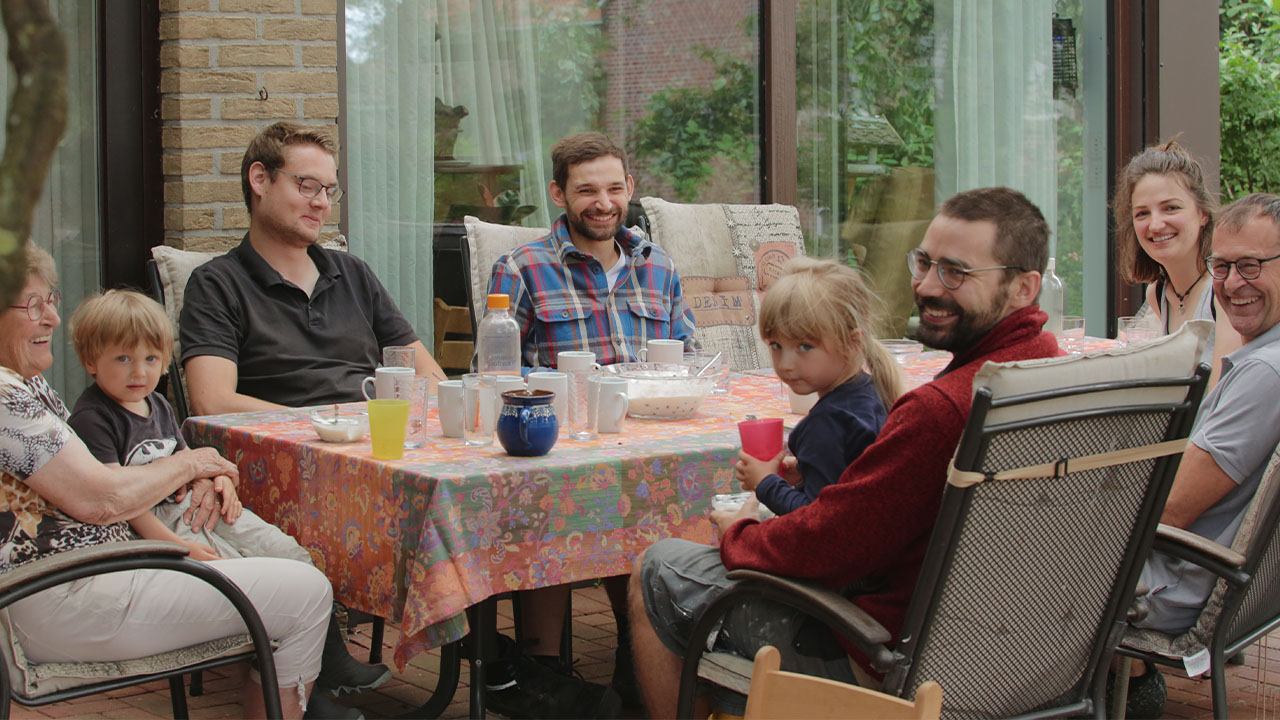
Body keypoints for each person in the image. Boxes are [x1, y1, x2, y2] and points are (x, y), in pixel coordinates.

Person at [629, 186, 1063, 718]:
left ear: (1023, 287)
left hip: (897, 660)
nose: (926, 286)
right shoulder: (1056, 379)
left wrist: (742, 533)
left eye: (955, 272)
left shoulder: (945, 409)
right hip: (1031, 658)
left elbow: (826, 547)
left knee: (658, 568)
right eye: (924, 262)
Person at [0, 244, 332, 720]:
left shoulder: (23, 382)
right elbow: (102, 497)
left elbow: (101, 481)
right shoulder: (5, 393)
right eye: (34, 305)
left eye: (50, 298)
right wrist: (192, 464)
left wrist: (199, 471)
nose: (52, 317)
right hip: (71, 591)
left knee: (282, 567)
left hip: (101, 572)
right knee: (306, 592)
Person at [65, 288, 387, 717]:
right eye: (122, 359)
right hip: (152, 525)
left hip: (204, 510)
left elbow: (189, 461)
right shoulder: (93, 416)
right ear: (91, 362)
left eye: (150, 358)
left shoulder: (157, 404)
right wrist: (172, 546)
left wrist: (221, 480)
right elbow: (117, 499)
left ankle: (327, 664)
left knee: (292, 555)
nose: (138, 371)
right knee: (245, 581)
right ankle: (300, 701)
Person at [479, 132, 701, 719]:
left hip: (651, 441)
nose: (602, 202)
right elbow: (493, 374)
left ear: (629, 188)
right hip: (564, 451)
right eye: (585, 191)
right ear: (558, 193)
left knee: (675, 498)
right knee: (567, 504)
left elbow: (689, 356)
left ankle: (645, 656)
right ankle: (542, 670)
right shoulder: (522, 268)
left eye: (613, 188)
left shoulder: (658, 267)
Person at [1123, 193, 1280, 717]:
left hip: (1171, 584)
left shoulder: (1266, 374)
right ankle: (1124, 676)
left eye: (1253, 265)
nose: (1234, 283)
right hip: (1215, 579)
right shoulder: (1261, 358)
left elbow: (1167, 511)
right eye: (1223, 266)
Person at [179, 121, 445, 415]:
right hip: (280, 450)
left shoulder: (353, 274)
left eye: (329, 191)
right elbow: (213, 403)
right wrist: (329, 423)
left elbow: (431, 378)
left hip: (373, 440)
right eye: (307, 187)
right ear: (259, 179)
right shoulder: (216, 285)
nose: (322, 204)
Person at [734, 257, 900, 515]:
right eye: (776, 345)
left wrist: (766, 483)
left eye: (805, 346)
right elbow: (847, 487)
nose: (786, 364)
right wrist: (804, 474)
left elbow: (814, 521)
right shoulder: (873, 392)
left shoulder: (828, 423)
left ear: (852, 342)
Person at [1114, 139, 1241, 385]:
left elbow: (1216, 398)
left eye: (1170, 208)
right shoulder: (1158, 294)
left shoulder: (1224, 290)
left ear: (1203, 214)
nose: (1156, 224)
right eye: (1142, 213)